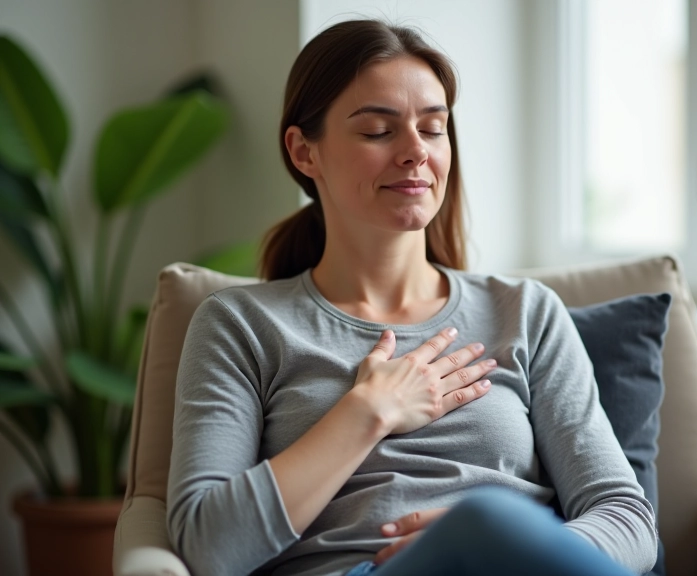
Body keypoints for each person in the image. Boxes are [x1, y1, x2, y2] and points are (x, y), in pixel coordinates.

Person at [166, 19, 657, 576]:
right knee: (488, 518)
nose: (415, 153)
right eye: (378, 131)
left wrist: (500, 547)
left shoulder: (525, 312)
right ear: (305, 152)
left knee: (489, 524)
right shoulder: (240, 325)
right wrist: (368, 412)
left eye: (433, 128)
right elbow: (207, 545)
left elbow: (627, 518)